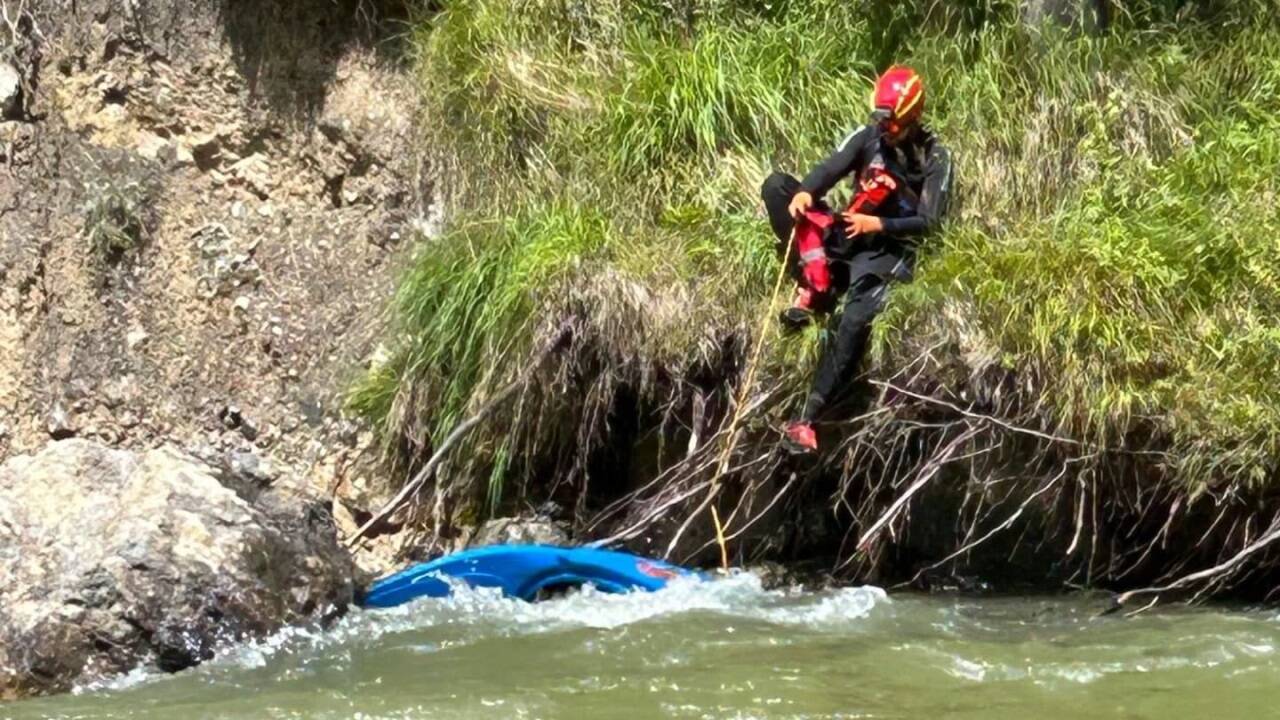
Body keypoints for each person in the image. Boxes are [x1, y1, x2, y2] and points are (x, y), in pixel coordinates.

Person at [759, 65, 953, 453]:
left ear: (913, 117)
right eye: (879, 119)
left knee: (855, 320)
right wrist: (807, 192)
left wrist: (876, 224)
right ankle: (815, 286)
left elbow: (931, 223)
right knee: (778, 187)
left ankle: (808, 419)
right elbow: (832, 167)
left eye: (892, 122)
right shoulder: (869, 139)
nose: (885, 128)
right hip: (848, 233)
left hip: (885, 252)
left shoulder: (936, 157)